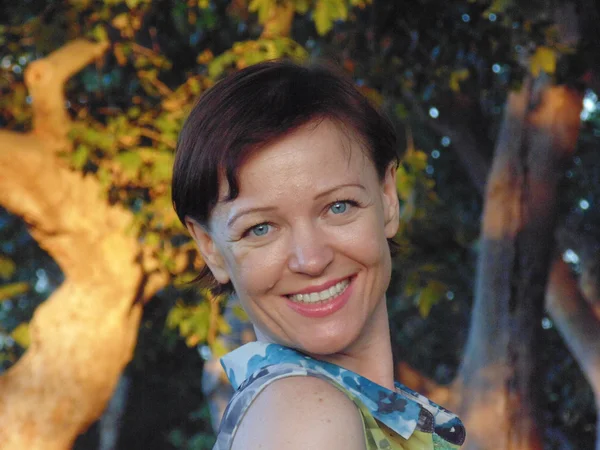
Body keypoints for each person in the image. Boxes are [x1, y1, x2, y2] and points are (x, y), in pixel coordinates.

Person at [171, 60, 465, 450]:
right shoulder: (307, 418)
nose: (311, 260)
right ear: (211, 248)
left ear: (387, 198)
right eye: (260, 228)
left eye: (339, 207)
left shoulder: (351, 413)